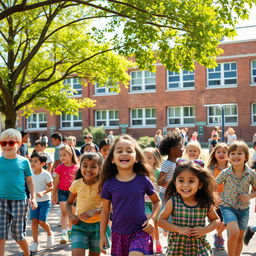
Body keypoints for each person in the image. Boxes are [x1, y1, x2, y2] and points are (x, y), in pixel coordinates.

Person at [99, 135, 161, 256]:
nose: (124, 153)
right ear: (112, 159)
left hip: (141, 231)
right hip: (118, 233)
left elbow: (157, 201)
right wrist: (102, 236)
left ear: (137, 158)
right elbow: (105, 211)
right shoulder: (109, 183)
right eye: (119, 151)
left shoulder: (143, 180)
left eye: (129, 150)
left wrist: (152, 220)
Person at [158, 161, 220, 255]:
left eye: (191, 181)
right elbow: (161, 221)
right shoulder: (173, 202)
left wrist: (205, 230)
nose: (185, 185)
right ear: (175, 183)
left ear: (200, 184)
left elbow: (216, 220)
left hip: (199, 250)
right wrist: (178, 229)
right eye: (181, 180)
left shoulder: (204, 203)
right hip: (177, 250)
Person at [0, 128, 37, 256]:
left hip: (20, 202)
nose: (7, 146)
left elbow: (30, 181)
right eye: (3, 143)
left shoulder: (24, 161)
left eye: (11, 143)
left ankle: (27, 254)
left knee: (18, 235)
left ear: (19, 144)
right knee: (0, 235)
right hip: (1, 202)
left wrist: (33, 198)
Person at [216, 141, 256, 256]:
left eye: (239, 153)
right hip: (227, 207)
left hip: (244, 210)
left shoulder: (251, 174)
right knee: (234, 232)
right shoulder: (225, 173)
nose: (236, 156)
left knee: (239, 238)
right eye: (232, 153)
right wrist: (214, 195)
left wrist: (249, 196)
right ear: (229, 157)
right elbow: (213, 185)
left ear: (246, 157)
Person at [66, 153, 111, 256]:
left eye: (93, 166)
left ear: (100, 169)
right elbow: (68, 204)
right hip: (79, 226)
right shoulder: (76, 184)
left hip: (99, 227)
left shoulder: (103, 184)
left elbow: (109, 207)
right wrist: (72, 216)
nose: (88, 169)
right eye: (85, 165)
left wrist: (95, 211)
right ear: (80, 167)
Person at [52, 145, 79, 244]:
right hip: (62, 192)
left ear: (71, 155)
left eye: (64, 155)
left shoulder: (77, 167)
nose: (62, 157)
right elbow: (56, 182)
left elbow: (80, 182)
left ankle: (70, 231)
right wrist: (53, 194)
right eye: (60, 155)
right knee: (64, 212)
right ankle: (63, 233)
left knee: (71, 214)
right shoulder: (59, 167)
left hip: (74, 193)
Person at [29, 152, 54, 252]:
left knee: (42, 222)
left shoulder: (46, 174)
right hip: (34, 202)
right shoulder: (30, 173)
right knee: (34, 222)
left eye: (36, 161)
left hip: (45, 201)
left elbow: (51, 187)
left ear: (43, 164)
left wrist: (43, 192)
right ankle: (35, 243)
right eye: (32, 161)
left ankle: (50, 234)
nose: (33, 163)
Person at [207, 143, 229, 250]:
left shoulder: (232, 167)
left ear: (228, 154)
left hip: (229, 199)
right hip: (215, 199)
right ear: (214, 154)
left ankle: (219, 235)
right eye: (218, 152)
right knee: (218, 221)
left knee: (228, 221)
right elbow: (208, 183)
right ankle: (219, 235)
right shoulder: (211, 168)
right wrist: (212, 196)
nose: (221, 154)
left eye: (224, 152)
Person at [143, 147, 163, 254]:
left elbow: (164, 184)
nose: (146, 160)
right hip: (144, 203)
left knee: (155, 225)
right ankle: (149, 244)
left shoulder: (158, 173)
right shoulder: (140, 173)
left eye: (149, 158)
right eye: (144, 158)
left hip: (155, 202)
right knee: (148, 223)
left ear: (155, 159)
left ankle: (158, 242)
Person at [157, 131, 183, 203]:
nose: (182, 149)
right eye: (180, 147)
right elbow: (159, 182)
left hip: (173, 194)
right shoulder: (167, 164)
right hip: (165, 195)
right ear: (173, 149)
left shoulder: (177, 163)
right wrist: (172, 185)